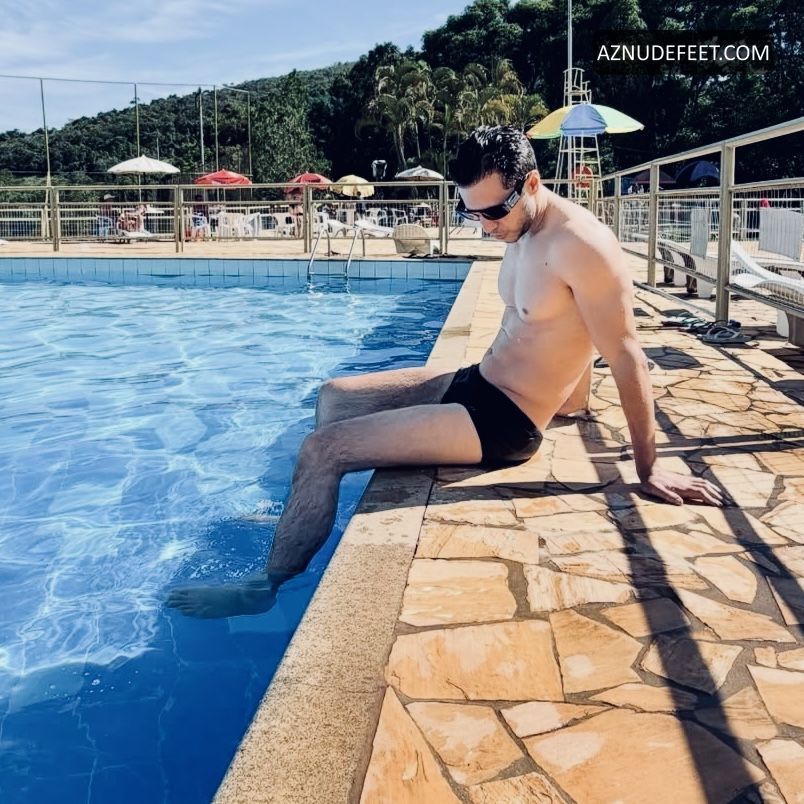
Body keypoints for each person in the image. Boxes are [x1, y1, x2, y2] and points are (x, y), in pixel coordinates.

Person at [167, 125, 723, 619]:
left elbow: (625, 354)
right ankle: (302, 512)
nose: (483, 226)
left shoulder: (581, 245)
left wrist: (650, 468)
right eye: (470, 213)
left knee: (323, 450)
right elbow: (555, 325)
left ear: (531, 184)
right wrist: (575, 400)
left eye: (493, 213)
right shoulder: (520, 228)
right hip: (477, 381)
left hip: (504, 421)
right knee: (333, 396)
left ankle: (265, 587)